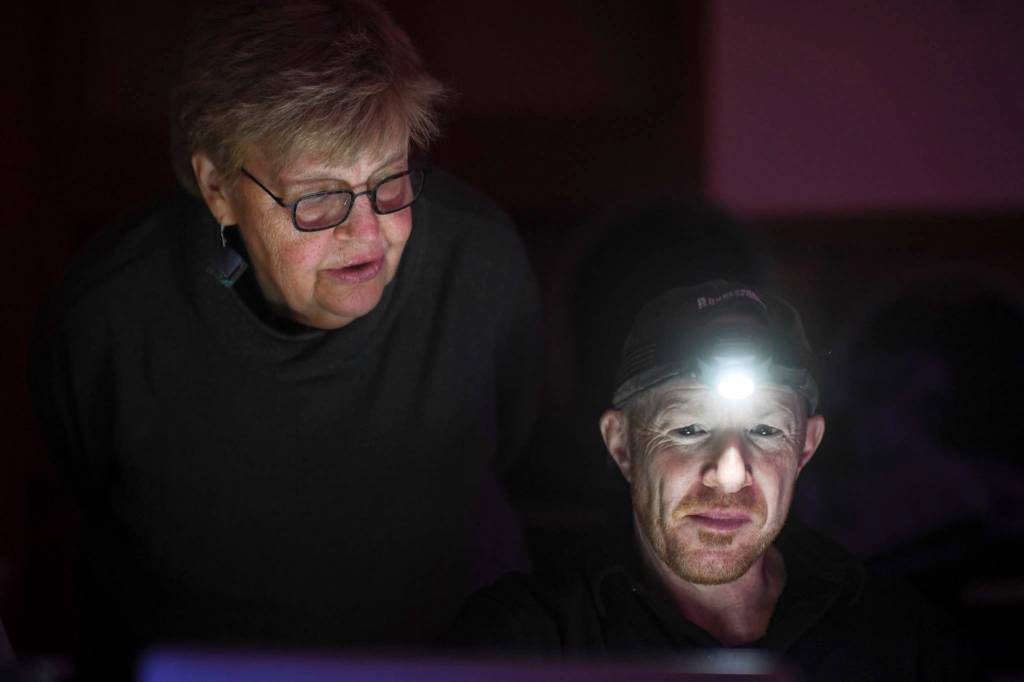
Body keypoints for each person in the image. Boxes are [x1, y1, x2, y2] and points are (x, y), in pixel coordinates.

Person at [30, 0, 540, 675]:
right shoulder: (110, 317)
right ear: (218, 187)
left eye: (389, 180)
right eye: (318, 198)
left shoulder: (479, 264)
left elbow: (523, 452)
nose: (368, 233)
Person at [449, 280, 981, 680]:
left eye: (767, 429)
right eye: (689, 427)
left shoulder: (897, 641)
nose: (729, 472)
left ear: (806, 447)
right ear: (621, 445)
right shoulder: (526, 645)